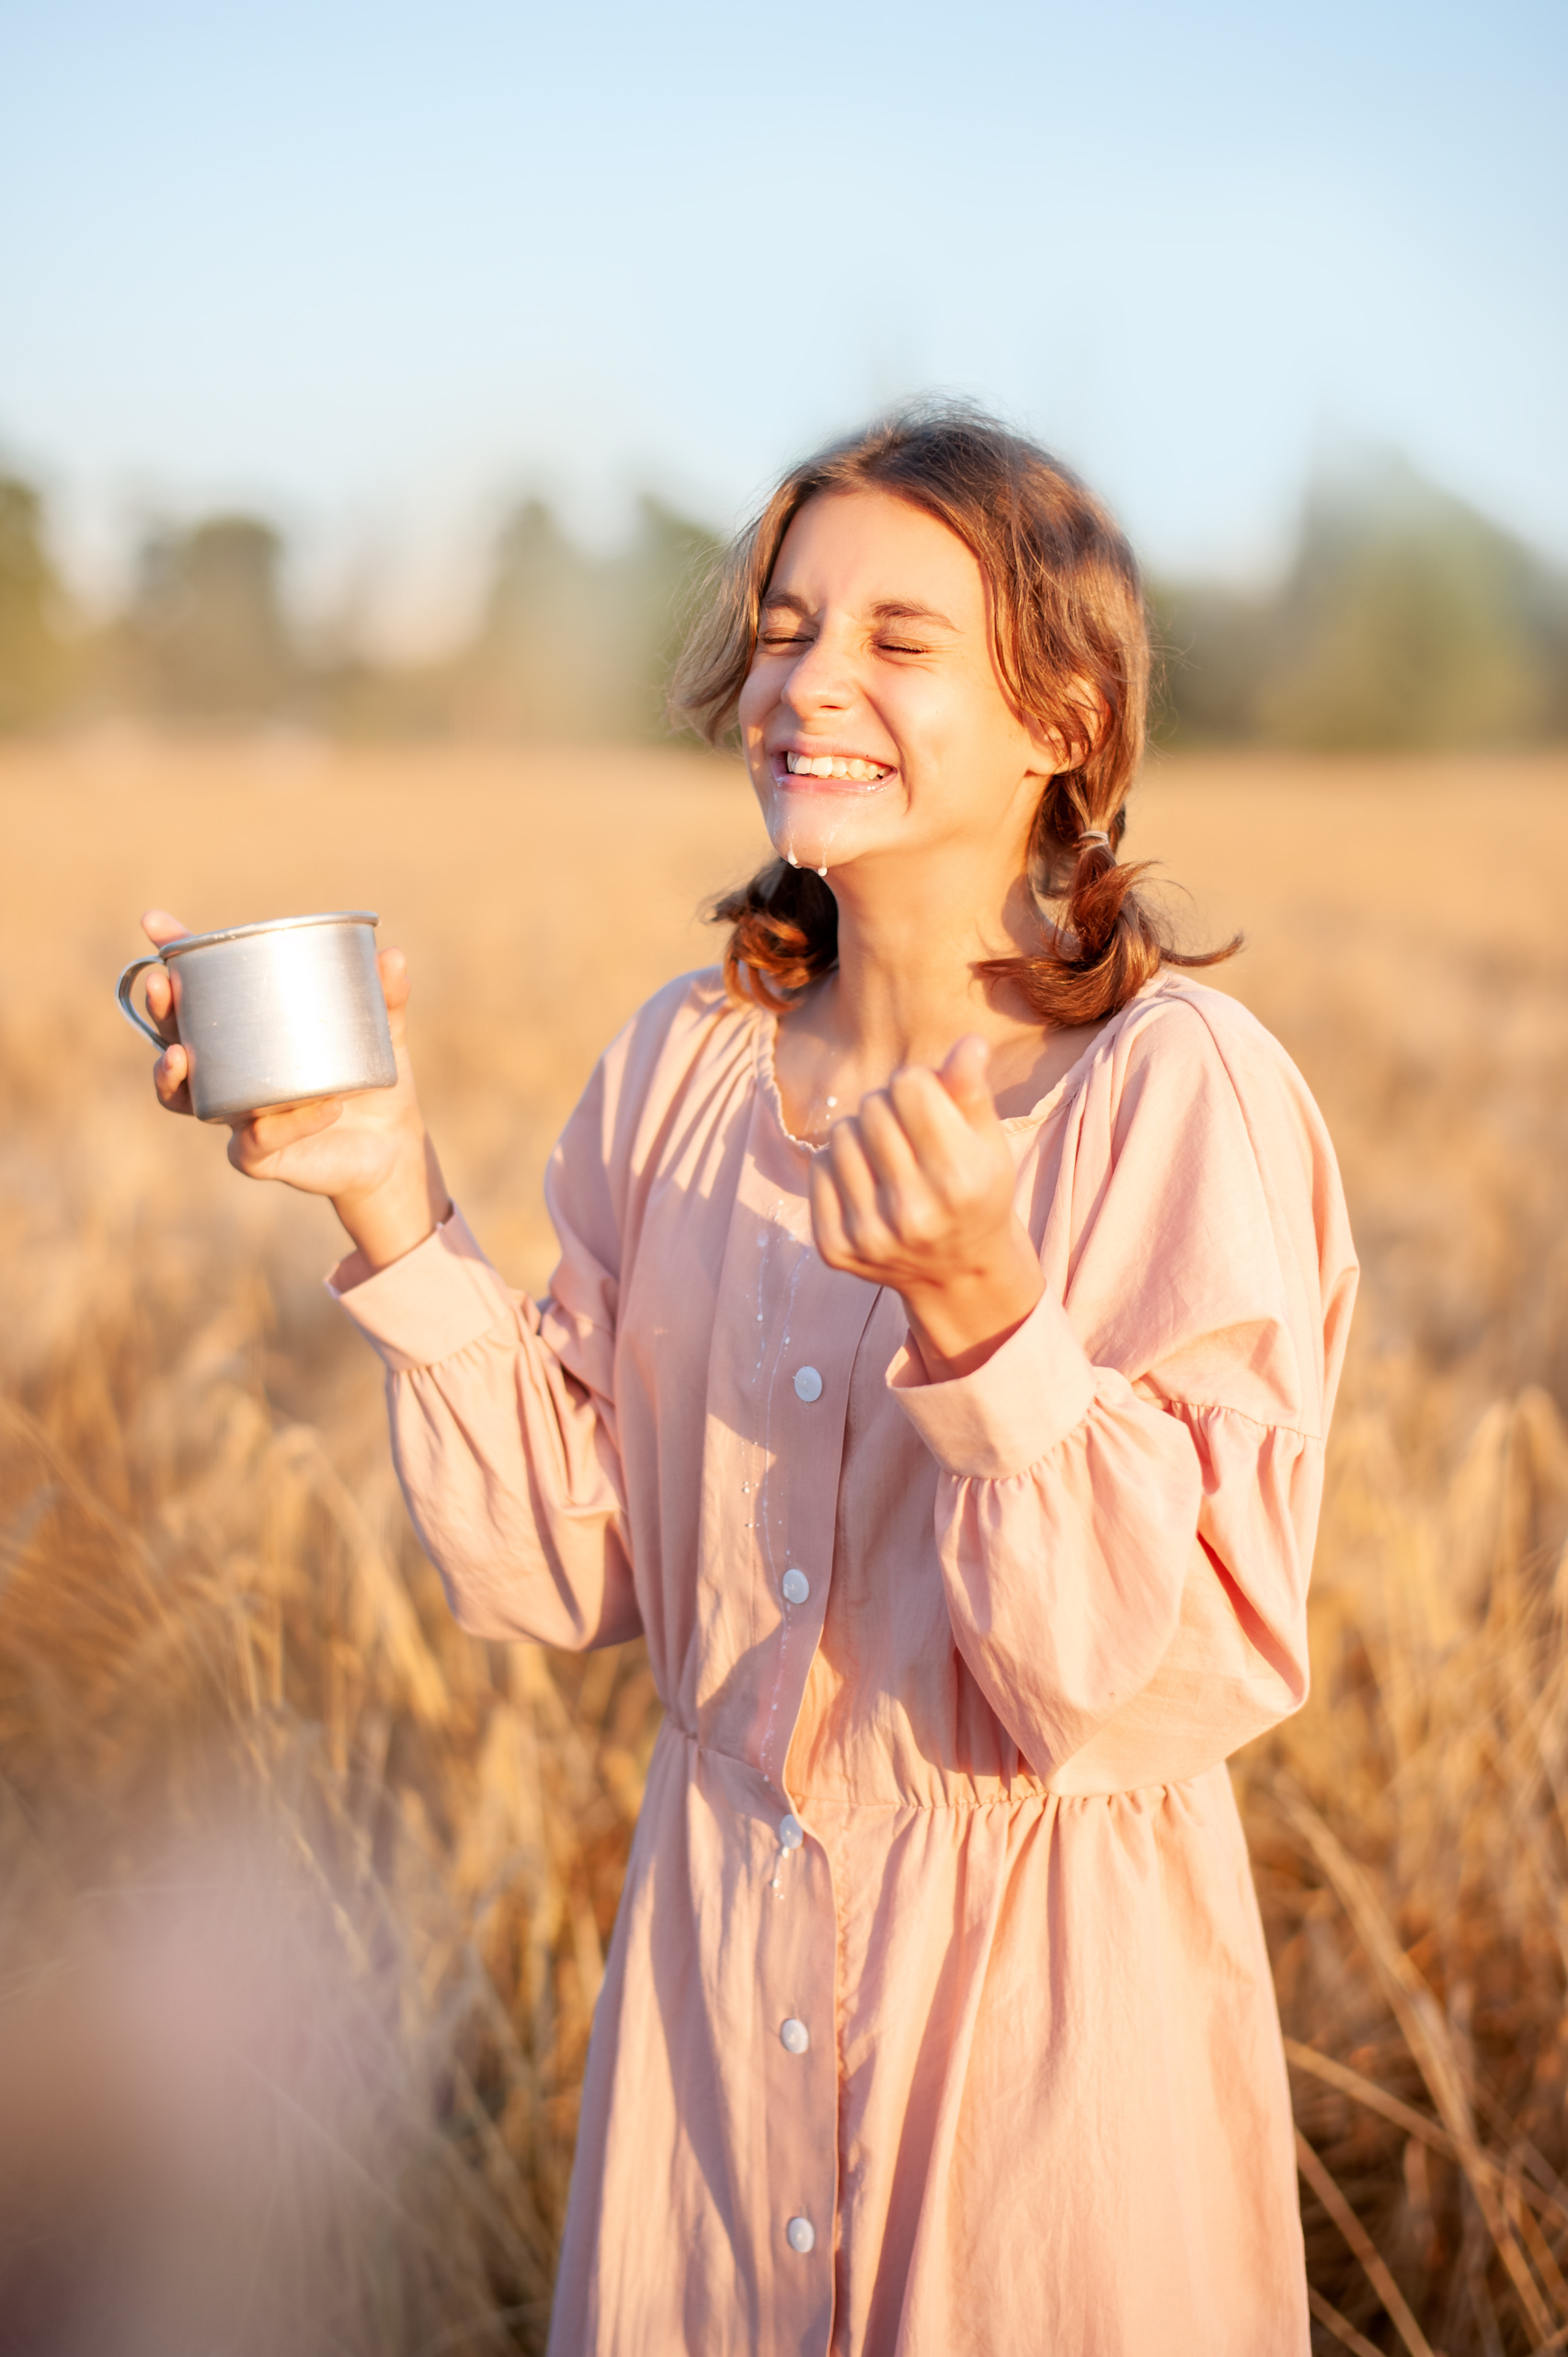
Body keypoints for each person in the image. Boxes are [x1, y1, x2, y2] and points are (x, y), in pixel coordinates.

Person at [141, 405, 1357, 2355]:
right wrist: (386, 1192)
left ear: (1064, 718)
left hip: (1045, 2054)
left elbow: (1179, 1681)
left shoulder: (1177, 1093)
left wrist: (990, 1322)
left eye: (899, 639)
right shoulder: (686, 1065)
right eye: (786, 631)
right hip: (714, 2005)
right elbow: (573, 1567)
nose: (807, 682)